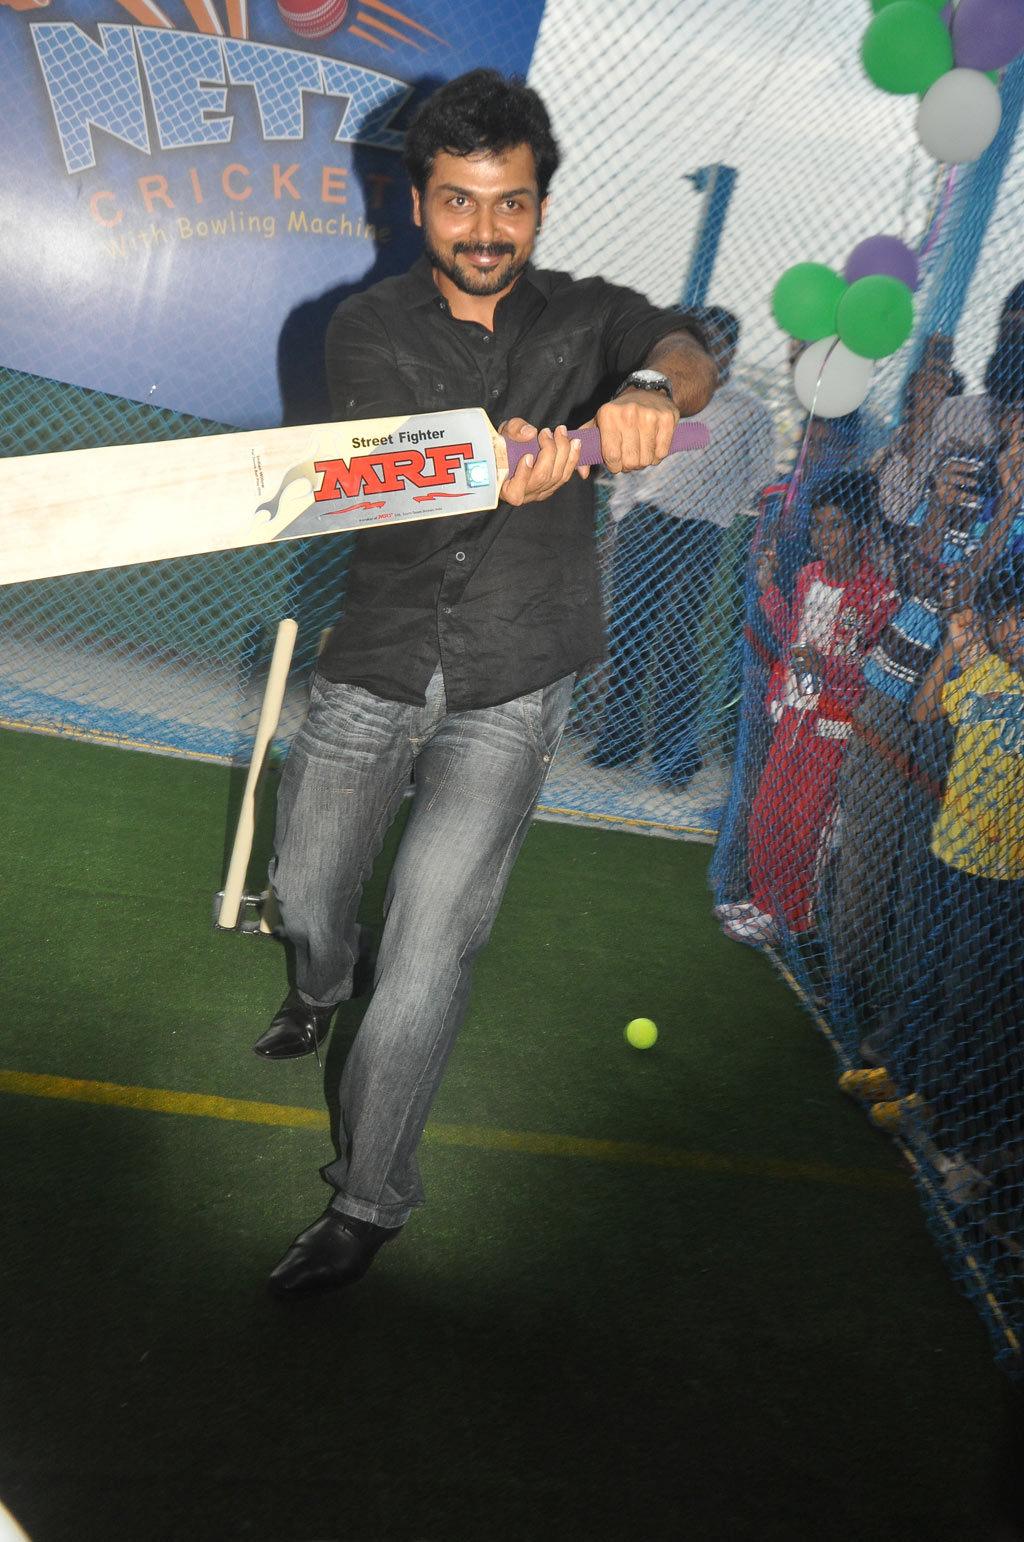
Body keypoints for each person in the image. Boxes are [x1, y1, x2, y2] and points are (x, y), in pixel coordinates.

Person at [252, 69, 716, 1296]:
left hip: (516, 675)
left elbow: (685, 349)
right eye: (458, 200)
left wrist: (651, 389)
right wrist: (480, 458)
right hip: (379, 658)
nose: (484, 229)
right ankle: (318, 980)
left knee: (432, 945)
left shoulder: (591, 315)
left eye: (509, 202)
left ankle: (368, 1201)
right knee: (309, 888)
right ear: (417, 203)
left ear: (540, 207)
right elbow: (385, 472)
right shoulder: (359, 328)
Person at [829, 332, 1024, 1033]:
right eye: (1017, 422)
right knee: (869, 841)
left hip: (968, 715)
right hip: (894, 681)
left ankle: (900, 1020)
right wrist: (949, 508)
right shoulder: (962, 471)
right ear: (1002, 420)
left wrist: (1009, 511)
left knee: (923, 866)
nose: (1020, 438)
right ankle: (845, 985)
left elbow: (977, 609)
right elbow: (919, 579)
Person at [849, 556, 1024, 1162]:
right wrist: (955, 646)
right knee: (925, 969)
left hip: (1001, 878)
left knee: (963, 989)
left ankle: (930, 1098)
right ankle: (899, 1071)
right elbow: (922, 710)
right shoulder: (986, 672)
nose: (1016, 632)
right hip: (948, 853)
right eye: (1009, 620)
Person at [587, 306, 775, 787]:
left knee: (677, 638)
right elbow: (630, 461)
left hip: (701, 532)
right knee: (628, 631)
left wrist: (716, 511)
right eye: (701, 341)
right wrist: (621, 516)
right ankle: (619, 741)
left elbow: (759, 478)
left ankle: (675, 755)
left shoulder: (750, 411)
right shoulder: (664, 397)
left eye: (718, 343)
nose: (709, 351)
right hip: (645, 522)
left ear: (731, 351)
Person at [717, 471, 897, 945]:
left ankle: (795, 919)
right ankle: (763, 903)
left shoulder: (879, 595)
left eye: (836, 526)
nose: (824, 536)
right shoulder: (807, 576)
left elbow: (873, 678)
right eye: (818, 525)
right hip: (793, 716)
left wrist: (827, 666)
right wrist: (768, 590)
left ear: (860, 530)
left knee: (806, 827)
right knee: (766, 813)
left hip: (832, 729)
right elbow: (790, 638)